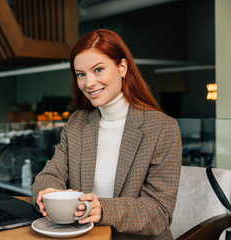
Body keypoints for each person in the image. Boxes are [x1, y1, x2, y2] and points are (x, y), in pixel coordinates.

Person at [31, 29, 182, 240]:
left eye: (98, 70)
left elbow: (159, 212)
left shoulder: (162, 128)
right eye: (81, 74)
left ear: (122, 67)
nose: (89, 83)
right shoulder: (77, 122)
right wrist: (48, 195)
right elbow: (49, 175)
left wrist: (102, 210)